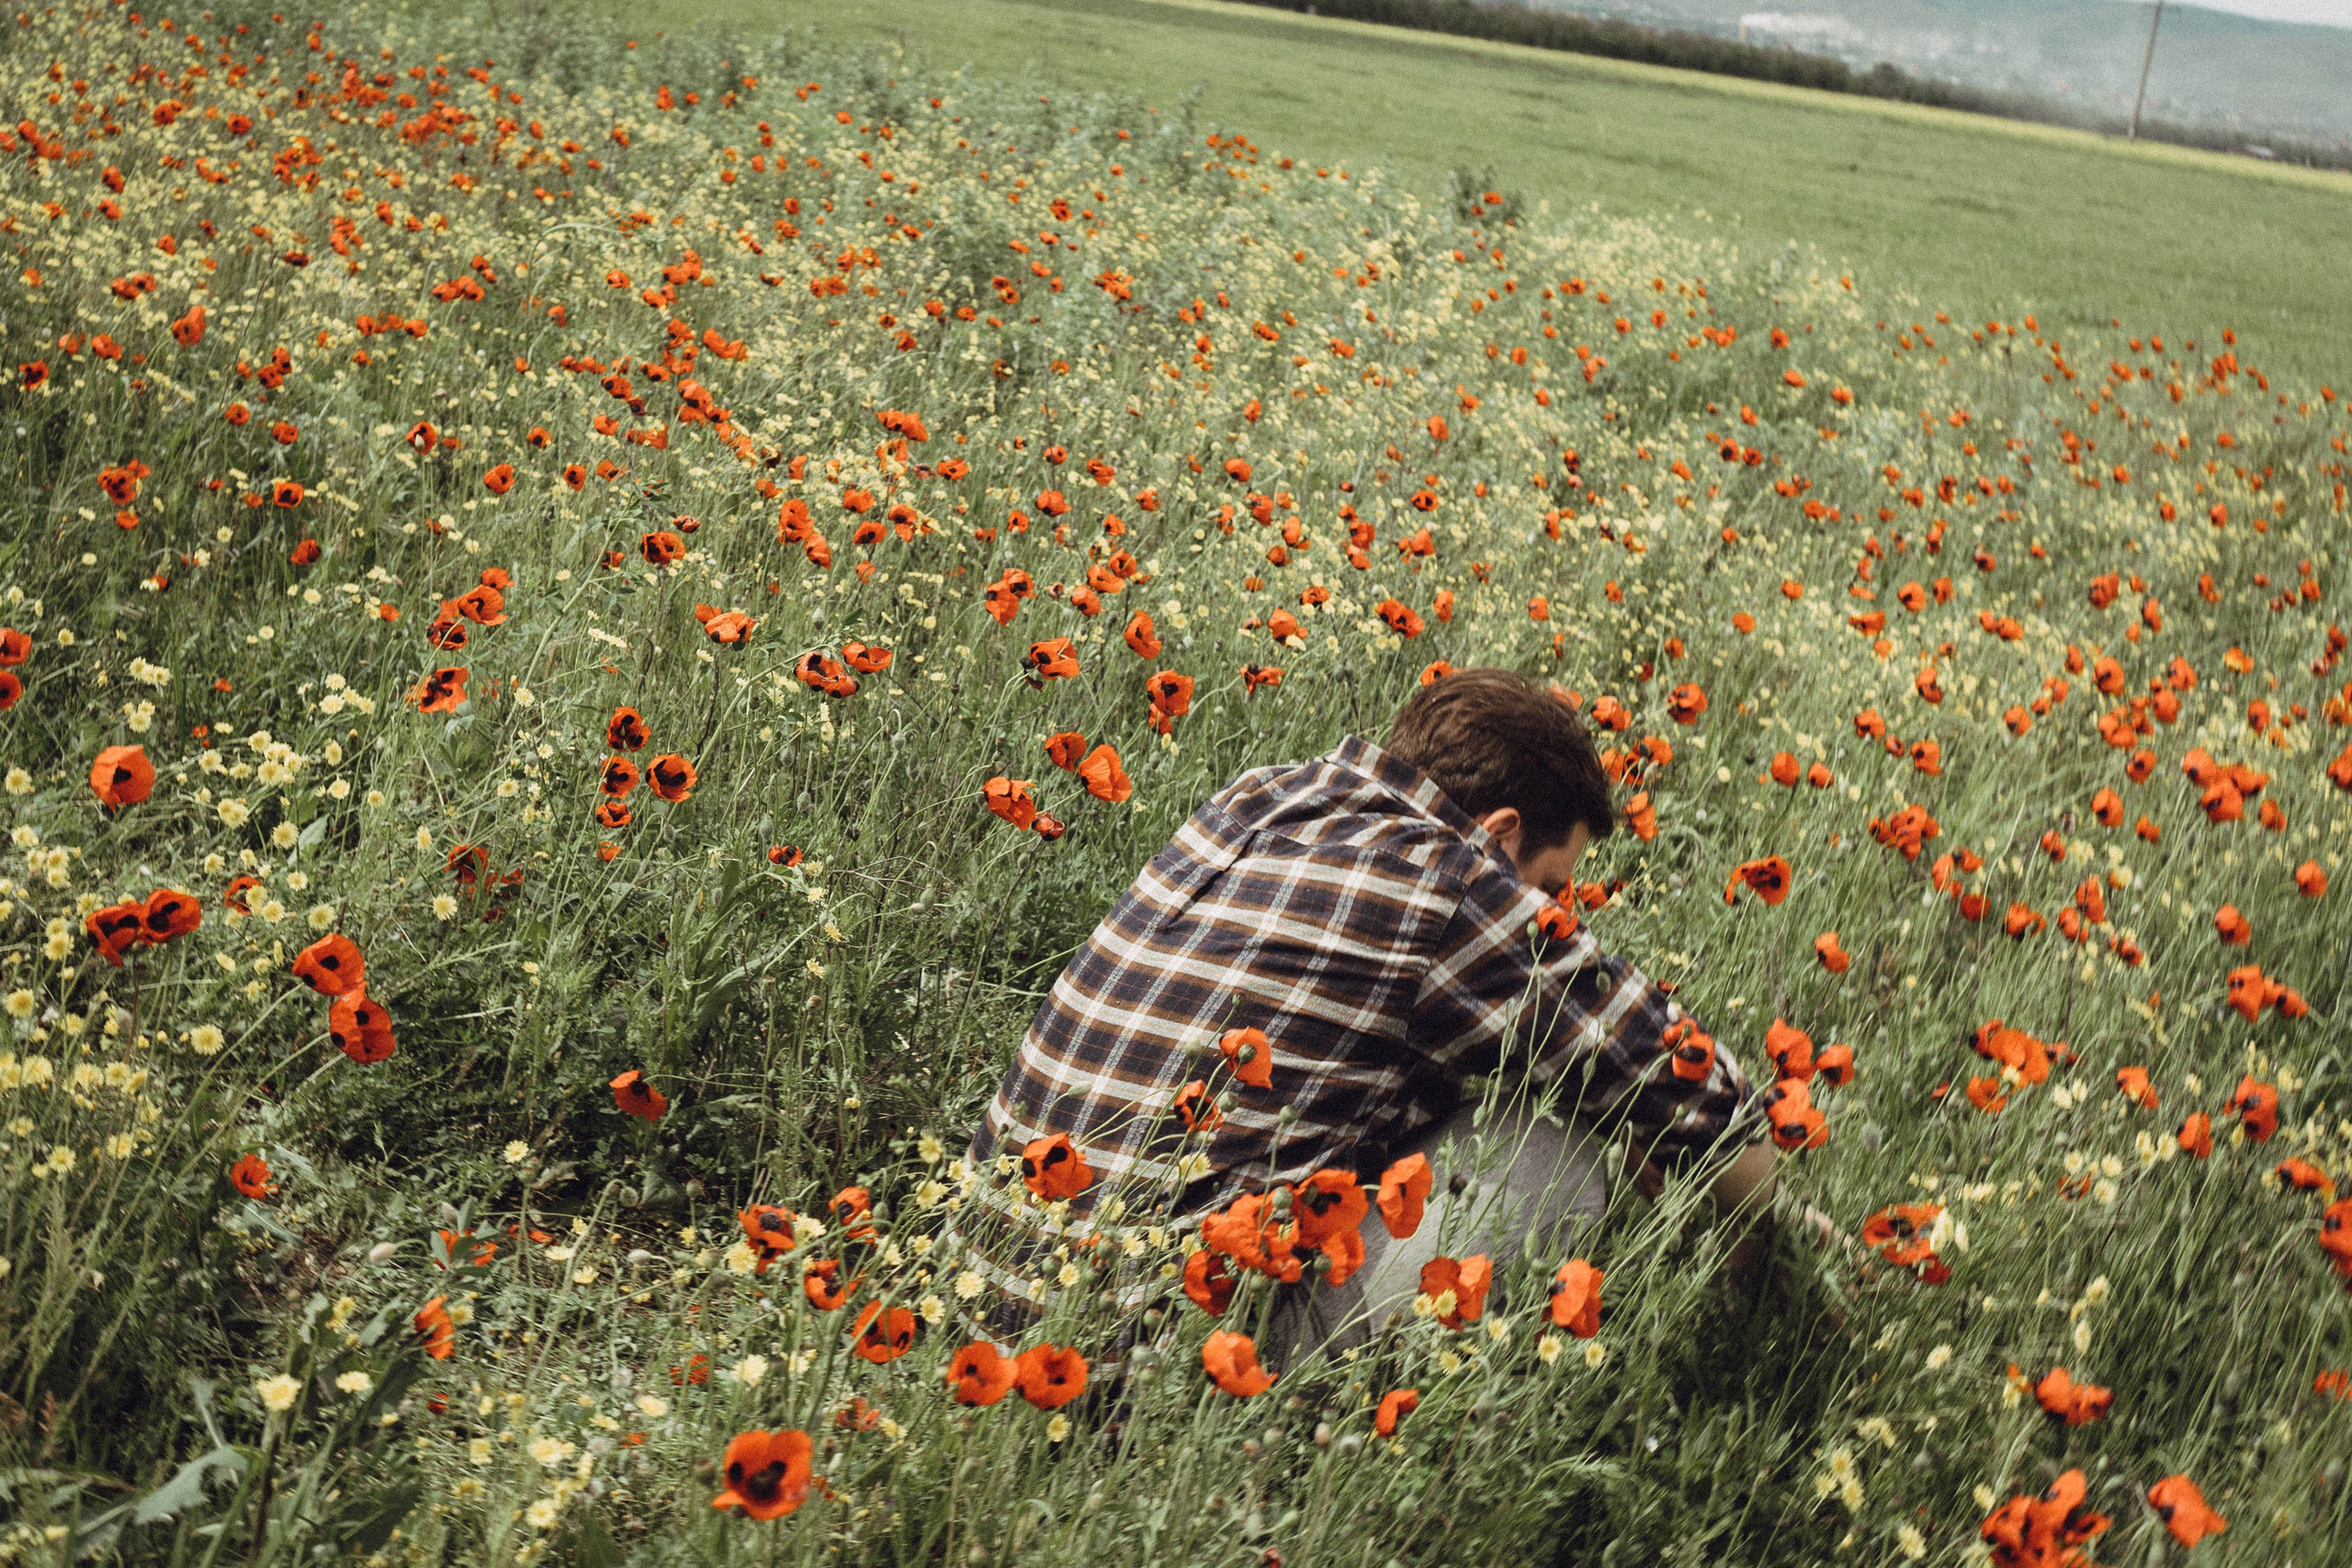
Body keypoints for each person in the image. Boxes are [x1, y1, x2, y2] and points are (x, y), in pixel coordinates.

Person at [946, 667, 1781, 1358]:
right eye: (1552, 889)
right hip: (1149, 1376)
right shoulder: (1455, 879)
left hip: (973, 1315)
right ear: (1499, 834)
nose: (1555, 917)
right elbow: (1694, 1091)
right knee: (1546, 1153)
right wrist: (1779, 1265)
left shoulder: (1259, 800)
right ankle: (1328, 1467)